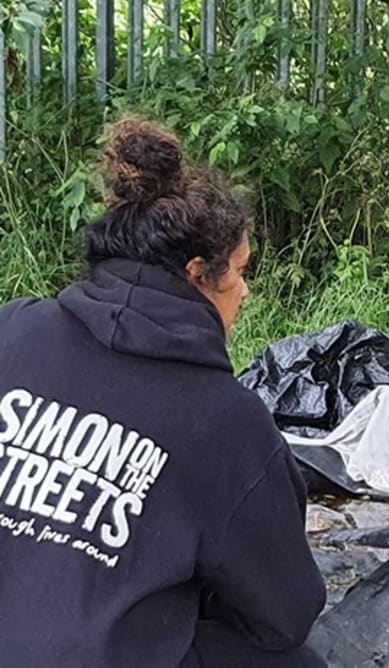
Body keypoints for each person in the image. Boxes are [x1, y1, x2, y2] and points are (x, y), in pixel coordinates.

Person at [0, 118, 327, 667]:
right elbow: (286, 613)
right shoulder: (225, 420)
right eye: (241, 272)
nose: (245, 291)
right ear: (199, 274)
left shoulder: (13, 329)